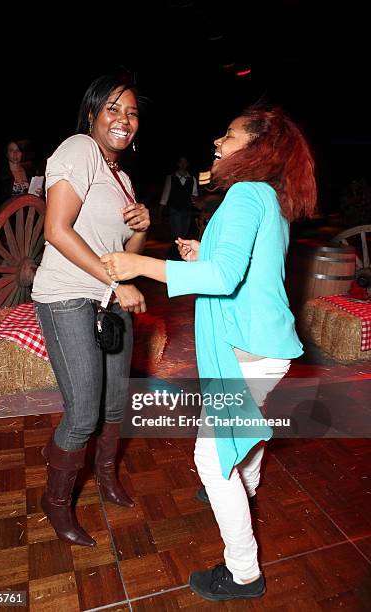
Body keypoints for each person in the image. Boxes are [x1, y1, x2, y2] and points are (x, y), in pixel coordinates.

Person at [101, 106, 317, 600]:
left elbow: (224, 279)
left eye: (229, 135)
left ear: (256, 147)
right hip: (264, 345)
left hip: (249, 352)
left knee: (210, 456)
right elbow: (243, 267)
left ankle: (244, 573)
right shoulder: (269, 196)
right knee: (244, 432)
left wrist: (139, 263)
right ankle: (247, 486)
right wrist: (205, 252)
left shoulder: (245, 194)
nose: (218, 142)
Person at [31, 74, 150, 547]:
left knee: (115, 404)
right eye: (114, 109)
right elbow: (56, 230)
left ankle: (104, 477)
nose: (124, 119)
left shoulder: (122, 177)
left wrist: (143, 224)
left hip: (108, 297)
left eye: (133, 112)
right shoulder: (78, 149)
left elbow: (125, 249)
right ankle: (56, 502)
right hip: (68, 296)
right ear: (92, 114)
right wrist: (117, 283)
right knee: (83, 412)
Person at [159, 156, 198, 258]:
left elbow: (194, 194)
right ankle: (174, 255)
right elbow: (166, 194)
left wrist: (197, 205)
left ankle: (182, 255)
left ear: (187, 164)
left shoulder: (192, 178)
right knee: (177, 233)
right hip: (175, 208)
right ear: (178, 164)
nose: (183, 165)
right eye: (181, 162)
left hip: (187, 209)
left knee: (184, 233)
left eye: (185, 162)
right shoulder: (171, 177)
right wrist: (161, 209)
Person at [0, 139, 43, 211]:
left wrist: (39, 193)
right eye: (11, 150)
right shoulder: (0, 173)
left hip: (27, 215)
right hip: (8, 216)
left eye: (18, 150)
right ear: (7, 154)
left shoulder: (30, 172)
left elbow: (34, 196)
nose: (15, 154)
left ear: (22, 153)